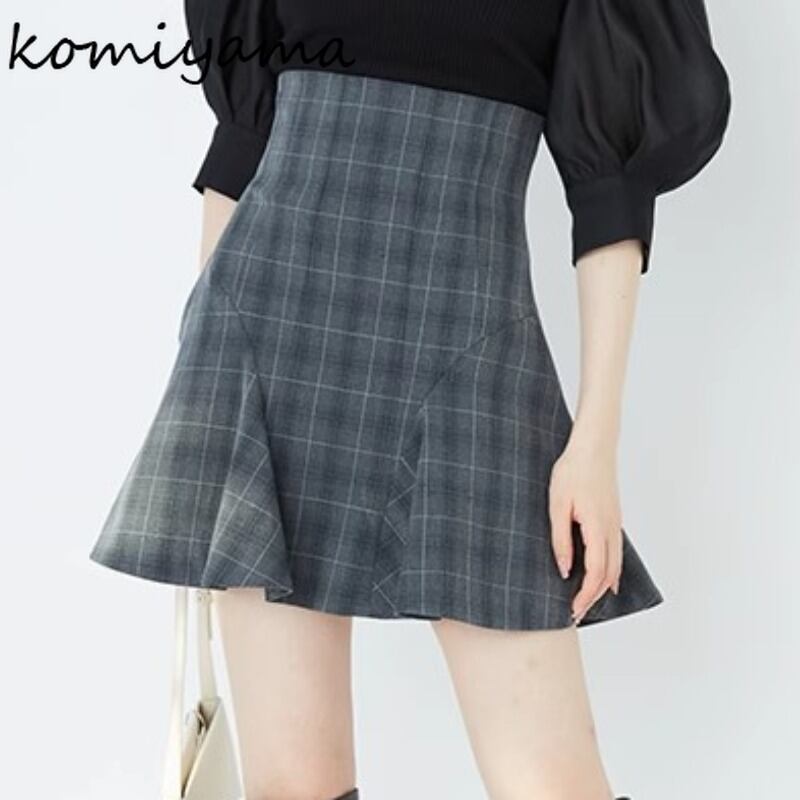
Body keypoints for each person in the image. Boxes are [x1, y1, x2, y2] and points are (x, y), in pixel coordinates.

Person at [89, 1, 731, 798]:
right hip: (268, 326)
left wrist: (595, 441)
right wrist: (210, 378)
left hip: (470, 352)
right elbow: (246, 135)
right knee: (293, 787)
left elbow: (610, 192)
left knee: (553, 783)